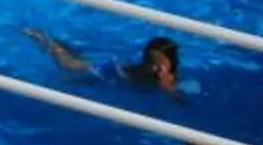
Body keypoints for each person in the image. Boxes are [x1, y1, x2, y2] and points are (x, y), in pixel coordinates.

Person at [26, 28, 187, 99]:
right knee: (66, 64)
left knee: (76, 67)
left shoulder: (172, 81)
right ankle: (42, 38)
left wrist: (167, 87)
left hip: (115, 78)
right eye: (148, 61)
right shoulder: (141, 71)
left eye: (159, 64)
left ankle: (59, 43)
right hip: (113, 70)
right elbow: (126, 73)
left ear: (171, 64)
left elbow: (181, 101)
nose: (152, 67)